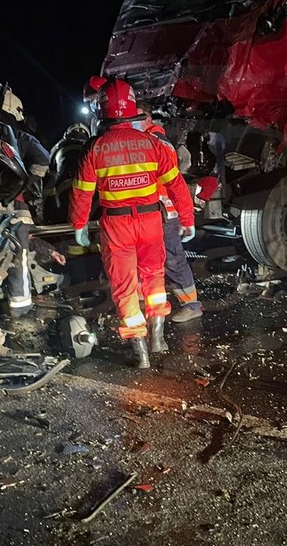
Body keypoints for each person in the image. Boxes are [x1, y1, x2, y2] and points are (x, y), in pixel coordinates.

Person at [69, 77, 195, 369]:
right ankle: (158, 338)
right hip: (151, 221)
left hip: (117, 227)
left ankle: (141, 353)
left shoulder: (95, 148)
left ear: (103, 111)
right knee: (154, 278)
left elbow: (82, 193)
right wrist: (187, 218)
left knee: (125, 286)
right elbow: (176, 185)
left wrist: (79, 225)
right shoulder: (151, 143)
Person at [0, 86, 61, 320]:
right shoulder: (19, 137)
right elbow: (43, 160)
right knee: (17, 257)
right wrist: (25, 182)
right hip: (16, 209)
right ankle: (20, 309)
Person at [135, 104, 203, 323]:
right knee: (149, 259)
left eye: (136, 118)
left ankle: (191, 305)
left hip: (163, 213)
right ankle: (145, 302)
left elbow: (175, 183)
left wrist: (186, 217)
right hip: (152, 213)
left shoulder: (156, 142)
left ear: (148, 119)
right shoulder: (149, 140)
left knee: (173, 260)